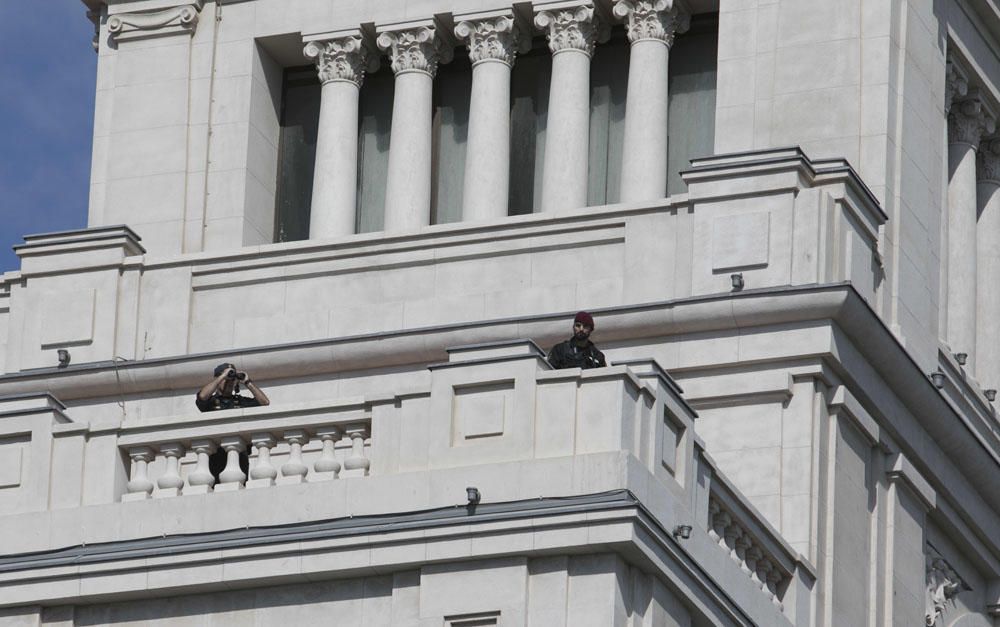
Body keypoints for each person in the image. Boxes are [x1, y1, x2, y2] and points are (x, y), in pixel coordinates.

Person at [195, 362, 270, 412]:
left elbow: (265, 403)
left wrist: (248, 382)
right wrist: (223, 376)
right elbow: (202, 396)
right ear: (218, 379)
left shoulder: (240, 401)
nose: (230, 381)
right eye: (226, 379)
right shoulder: (210, 401)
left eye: (233, 379)